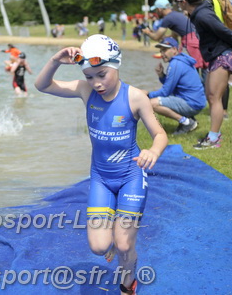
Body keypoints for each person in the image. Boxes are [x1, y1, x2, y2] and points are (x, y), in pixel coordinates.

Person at [35, 34, 168, 294]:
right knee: (98, 247)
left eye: (102, 74)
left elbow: (160, 134)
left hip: (131, 175)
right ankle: (116, 247)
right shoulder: (86, 92)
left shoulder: (136, 97)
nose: (96, 83)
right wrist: (55, 60)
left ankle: (128, 284)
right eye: (89, 76)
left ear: (116, 66)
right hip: (101, 178)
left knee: (124, 245)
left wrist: (153, 150)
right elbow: (43, 85)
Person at [177, 0, 232, 149]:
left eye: (178, 1)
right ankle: (213, 135)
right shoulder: (198, 13)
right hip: (216, 56)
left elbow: (221, 29)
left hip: (222, 56)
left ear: (184, 2)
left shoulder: (202, 15)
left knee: (215, 98)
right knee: (211, 96)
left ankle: (213, 139)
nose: (177, 5)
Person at [142, 37, 206, 135]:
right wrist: (161, 75)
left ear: (175, 50)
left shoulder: (175, 64)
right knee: (165, 97)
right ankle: (189, 118)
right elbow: (171, 85)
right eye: (161, 51)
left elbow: (165, 92)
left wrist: (146, 95)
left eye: (165, 50)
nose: (162, 54)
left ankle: (187, 122)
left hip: (192, 103)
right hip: (197, 101)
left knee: (152, 103)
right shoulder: (181, 60)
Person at [143, 0, 207, 70]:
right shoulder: (175, 14)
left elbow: (156, 37)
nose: (156, 12)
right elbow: (173, 36)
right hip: (197, 38)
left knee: (191, 69)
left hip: (190, 42)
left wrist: (147, 32)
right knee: (201, 70)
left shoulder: (167, 18)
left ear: (159, 9)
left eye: (156, 10)